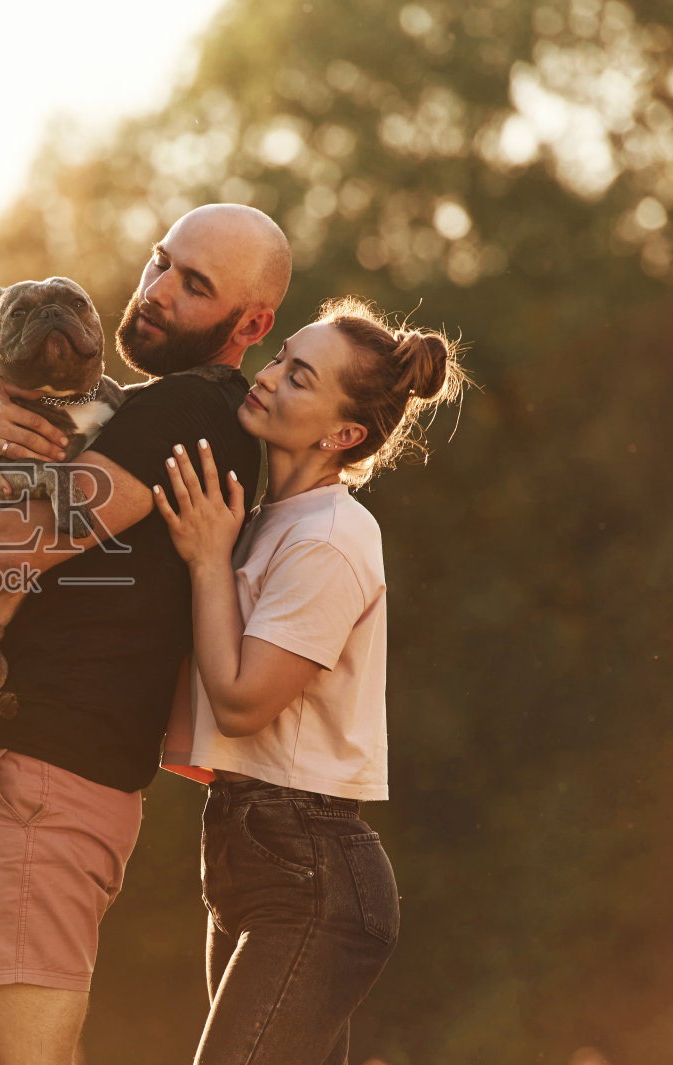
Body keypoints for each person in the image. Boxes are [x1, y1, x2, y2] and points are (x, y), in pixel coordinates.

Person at [0, 204, 290, 1065]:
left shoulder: (190, 407)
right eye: (161, 262)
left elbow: (23, 539)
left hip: (36, 788)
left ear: (251, 325)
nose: (159, 290)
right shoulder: (126, 411)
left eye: (196, 286)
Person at [152, 297, 468, 1065]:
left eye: (299, 377)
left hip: (313, 874)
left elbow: (242, 701)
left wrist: (207, 560)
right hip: (250, 854)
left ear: (342, 435)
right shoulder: (270, 521)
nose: (268, 377)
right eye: (281, 358)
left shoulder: (330, 538)